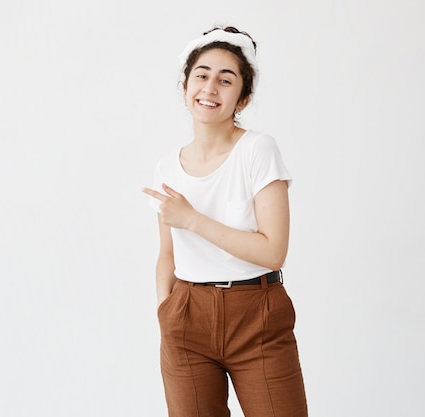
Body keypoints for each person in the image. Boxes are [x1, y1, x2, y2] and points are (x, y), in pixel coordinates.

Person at [142, 25, 308, 417]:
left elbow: (273, 251)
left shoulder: (257, 150)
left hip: (257, 315)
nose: (209, 87)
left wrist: (193, 219)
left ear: (242, 99)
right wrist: (168, 314)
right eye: (201, 75)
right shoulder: (167, 166)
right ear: (186, 87)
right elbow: (167, 255)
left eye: (225, 79)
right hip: (186, 316)